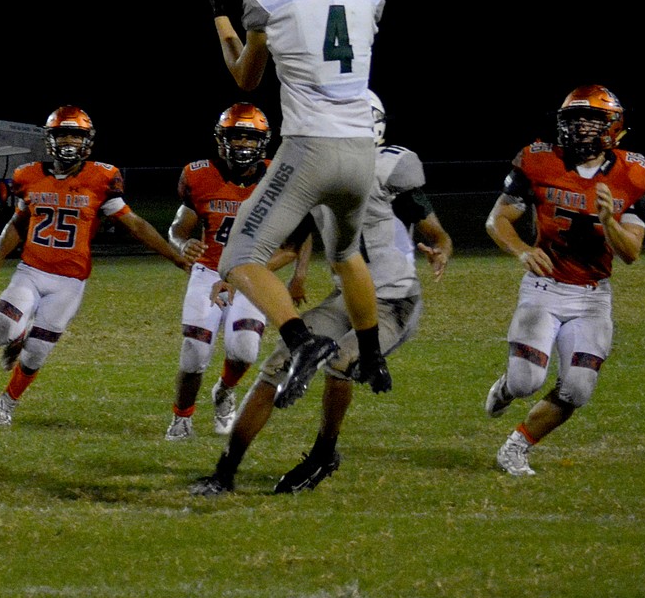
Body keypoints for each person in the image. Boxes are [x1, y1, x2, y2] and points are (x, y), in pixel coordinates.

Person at [191, 89, 453, 497]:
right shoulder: (316, 170)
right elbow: (291, 244)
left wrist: (441, 247)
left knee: (343, 362)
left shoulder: (389, 165)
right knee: (277, 365)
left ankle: (323, 453)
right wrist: (243, 272)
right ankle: (225, 470)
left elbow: (433, 227)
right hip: (342, 298)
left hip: (393, 301)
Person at [202, 0, 389, 415]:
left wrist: (224, 21)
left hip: (310, 149)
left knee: (239, 256)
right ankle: (372, 354)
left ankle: (302, 340)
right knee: (346, 254)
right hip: (360, 153)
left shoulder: (271, 0)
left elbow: (247, 77)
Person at [484, 85, 645, 476]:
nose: (581, 129)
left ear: (613, 127)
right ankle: (510, 386)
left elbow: (630, 253)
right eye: (575, 120)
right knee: (528, 381)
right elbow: (497, 220)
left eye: (592, 121)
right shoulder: (538, 160)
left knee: (578, 388)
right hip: (544, 288)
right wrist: (522, 250)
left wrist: (609, 221)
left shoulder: (635, 172)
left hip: (593, 297)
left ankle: (515, 448)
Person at [0, 105, 191, 426]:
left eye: (75, 135)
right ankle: (18, 332)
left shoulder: (101, 177)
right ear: (50, 139)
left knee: (36, 353)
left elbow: (134, 224)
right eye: (62, 134)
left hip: (69, 282)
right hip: (31, 272)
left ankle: (7, 401)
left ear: (87, 141)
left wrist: (175, 255)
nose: (68, 141)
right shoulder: (29, 175)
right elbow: (18, 222)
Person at [164, 102, 303, 441]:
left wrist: (248, 271)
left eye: (250, 138)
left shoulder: (278, 177)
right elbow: (179, 228)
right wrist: (182, 245)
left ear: (263, 142)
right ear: (221, 139)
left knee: (244, 352)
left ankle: (225, 390)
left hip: (255, 275)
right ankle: (181, 418)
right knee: (194, 352)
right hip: (209, 272)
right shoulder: (198, 175)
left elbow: (294, 243)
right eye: (236, 137)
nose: (242, 145)